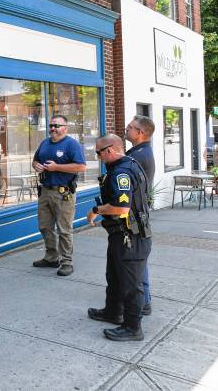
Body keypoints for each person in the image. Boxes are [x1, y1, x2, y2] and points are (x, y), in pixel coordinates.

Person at [87, 134, 152, 341]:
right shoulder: (126, 166)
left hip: (130, 237)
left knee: (131, 286)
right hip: (120, 235)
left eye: (98, 152)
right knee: (114, 276)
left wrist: (96, 209)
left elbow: (121, 208)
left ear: (110, 150)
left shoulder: (122, 172)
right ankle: (113, 312)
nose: (98, 157)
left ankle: (133, 328)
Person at [32, 115, 87, 276]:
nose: (53, 129)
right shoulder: (45, 143)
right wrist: (36, 166)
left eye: (56, 125)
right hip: (45, 191)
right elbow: (35, 161)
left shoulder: (71, 144)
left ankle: (66, 262)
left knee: (64, 229)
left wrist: (57, 167)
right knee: (44, 226)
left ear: (65, 128)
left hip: (64, 193)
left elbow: (81, 167)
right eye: (51, 125)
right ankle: (51, 257)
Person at [124, 115, 155, 315]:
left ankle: (143, 301)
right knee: (137, 258)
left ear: (141, 133)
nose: (127, 128)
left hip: (134, 214)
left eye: (131, 127)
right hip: (137, 213)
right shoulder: (139, 152)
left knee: (136, 259)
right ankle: (144, 299)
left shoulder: (138, 156)